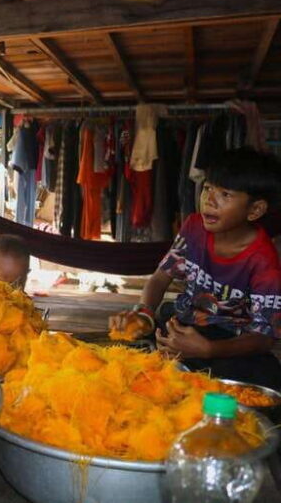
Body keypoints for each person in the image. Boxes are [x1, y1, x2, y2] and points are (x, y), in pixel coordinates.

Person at [109, 148, 281, 390]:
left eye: (225, 194)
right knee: (124, 348)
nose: (209, 199)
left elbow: (263, 339)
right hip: (182, 324)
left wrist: (209, 349)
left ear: (255, 210)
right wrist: (143, 313)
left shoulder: (264, 262)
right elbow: (160, 277)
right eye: (208, 188)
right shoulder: (194, 227)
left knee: (264, 378)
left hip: (228, 342)